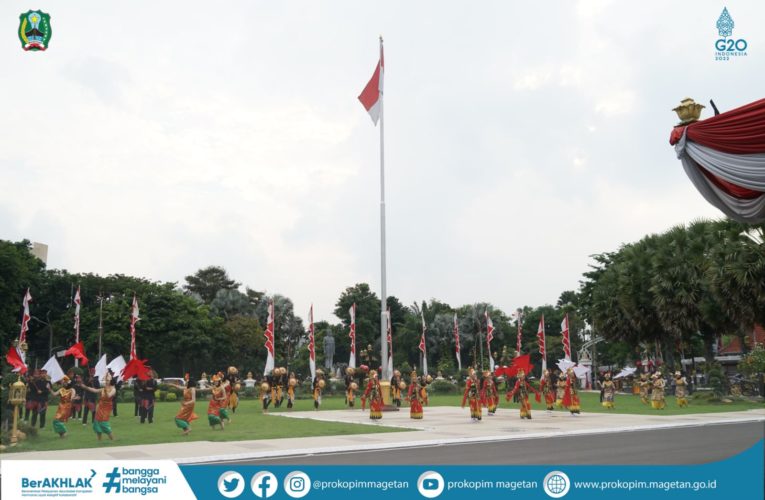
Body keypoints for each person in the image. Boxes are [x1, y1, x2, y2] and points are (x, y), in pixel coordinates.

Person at [80, 369, 117, 441]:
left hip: (106, 408)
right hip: (100, 407)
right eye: (106, 380)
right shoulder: (103, 389)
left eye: (108, 380)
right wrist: (85, 387)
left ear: (111, 380)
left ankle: (112, 439)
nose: (106, 381)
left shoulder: (113, 389)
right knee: (96, 423)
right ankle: (99, 440)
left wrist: (106, 390)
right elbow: (95, 390)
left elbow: (109, 396)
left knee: (103, 423)